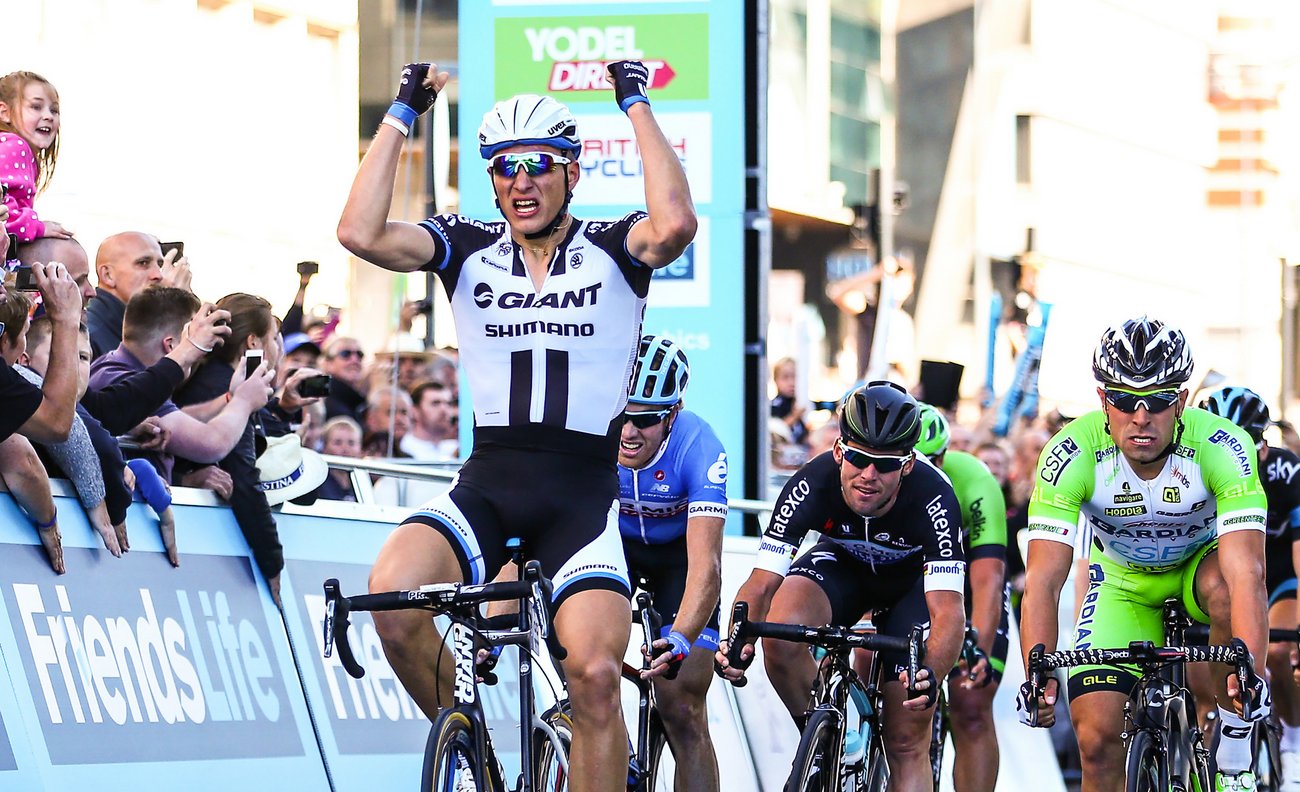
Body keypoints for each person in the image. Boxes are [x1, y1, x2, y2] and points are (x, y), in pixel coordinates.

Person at [337, 58, 696, 791]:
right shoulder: (466, 247)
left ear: (571, 172)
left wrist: (635, 103)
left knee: (595, 676)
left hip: (581, 498)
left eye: (537, 165)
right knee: (395, 599)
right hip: (489, 483)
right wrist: (403, 111)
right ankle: (485, 763)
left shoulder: (614, 246)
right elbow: (358, 230)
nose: (519, 182)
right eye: (502, 168)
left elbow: (676, 224)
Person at [1017, 317, 1270, 792]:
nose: (1140, 416)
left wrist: (1249, 669)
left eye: (1156, 400)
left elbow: (1247, 574)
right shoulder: (1070, 453)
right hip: (1122, 584)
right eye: (1123, 399)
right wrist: (1038, 670)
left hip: (1199, 571)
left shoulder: (1223, 446)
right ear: (1102, 401)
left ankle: (1234, 734)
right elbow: (1044, 581)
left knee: (1222, 586)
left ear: (1180, 402)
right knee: (1096, 741)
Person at [716, 381, 967, 792]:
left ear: (907, 464)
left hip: (911, 588)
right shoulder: (811, 482)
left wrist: (929, 673)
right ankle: (822, 738)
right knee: (780, 631)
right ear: (839, 451)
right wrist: (737, 640)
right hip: (844, 569)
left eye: (885, 465)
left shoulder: (934, 496)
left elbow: (947, 611)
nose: (869, 475)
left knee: (905, 741)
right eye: (857, 458)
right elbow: (761, 583)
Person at [618, 335, 727, 792]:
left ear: (673, 414)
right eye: (621, 415)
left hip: (678, 563)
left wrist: (681, 638)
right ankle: (615, 755)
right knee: (588, 669)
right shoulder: (593, 436)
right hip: (615, 551)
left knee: (681, 705)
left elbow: (707, 567)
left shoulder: (699, 446)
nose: (627, 432)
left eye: (644, 420)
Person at [1200, 386, 1300, 780]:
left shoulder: (1285, 471)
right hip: (1220, 580)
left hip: (1277, 578)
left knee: (1277, 649)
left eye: (1243, 443)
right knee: (1198, 663)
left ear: (1263, 447)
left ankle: (1292, 742)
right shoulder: (1196, 472)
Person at [911, 403, 1008, 792]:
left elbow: (988, 581)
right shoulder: (882, 479)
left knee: (970, 707)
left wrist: (978, 651)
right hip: (909, 587)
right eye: (916, 461)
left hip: (965, 588)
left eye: (935, 461)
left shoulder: (974, 481)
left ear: (946, 455)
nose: (926, 472)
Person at [172, 292, 293, 601]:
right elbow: (242, 474)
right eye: (275, 338)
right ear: (253, 342)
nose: (279, 349)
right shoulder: (227, 387)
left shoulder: (211, 377)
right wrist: (273, 561)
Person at [86, 232, 191, 360]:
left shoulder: (135, 324)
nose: (158, 274)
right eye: (143, 263)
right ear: (108, 275)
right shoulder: (90, 336)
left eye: (160, 264)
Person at [0, 71, 70, 242]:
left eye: (54, 110)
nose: (48, 116)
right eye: (36, 107)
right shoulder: (15, 146)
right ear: (4, 113)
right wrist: (37, 227)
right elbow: (2, 211)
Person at [401, 380, 457, 460]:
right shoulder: (403, 449)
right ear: (414, 411)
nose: (444, 410)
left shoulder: (455, 449)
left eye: (448, 403)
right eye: (435, 403)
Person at [321, 335, 367, 421]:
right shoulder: (326, 399)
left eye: (359, 354)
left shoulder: (355, 399)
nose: (354, 360)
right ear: (328, 364)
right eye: (345, 354)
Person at [317, 415, 363, 501]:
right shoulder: (317, 482)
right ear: (324, 447)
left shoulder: (364, 482)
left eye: (351, 443)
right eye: (338, 443)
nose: (345, 449)